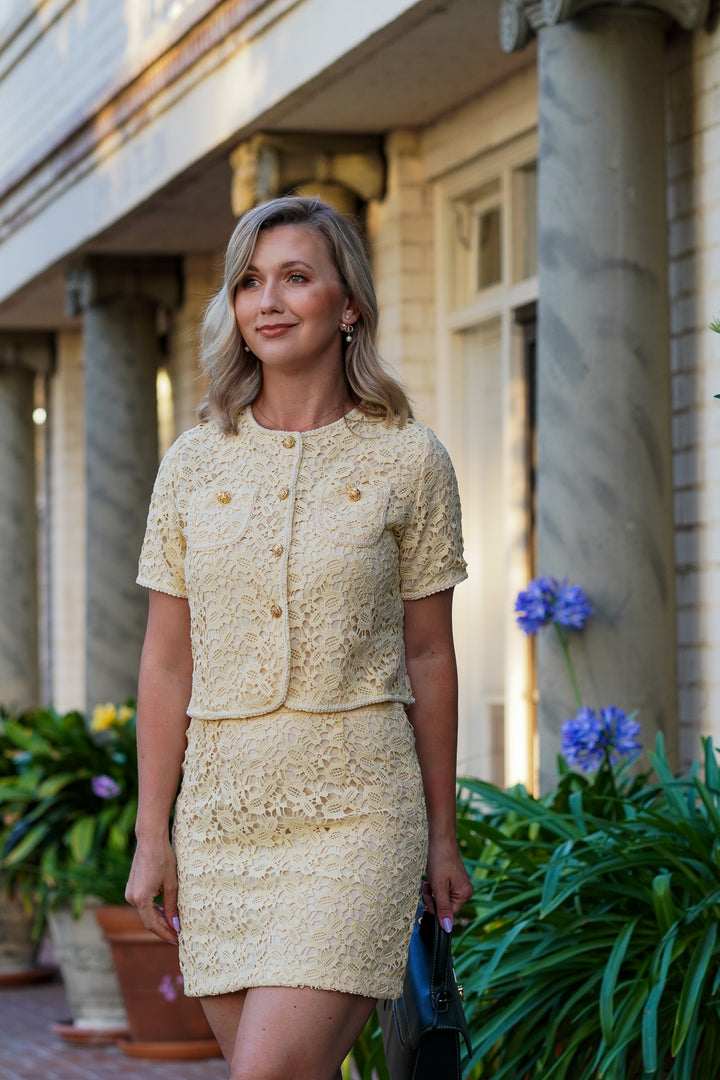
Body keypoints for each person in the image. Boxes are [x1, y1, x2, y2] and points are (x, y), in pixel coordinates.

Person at [125, 194, 473, 1080]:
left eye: (295, 277)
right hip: (222, 820)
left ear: (347, 302)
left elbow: (430, 655)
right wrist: (151, 832)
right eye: (248, 282)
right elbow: (167, 663)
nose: (267, 301)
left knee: (267, 1072)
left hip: (359, 812)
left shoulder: (410, 459)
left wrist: (442, 834)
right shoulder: (193, 464)